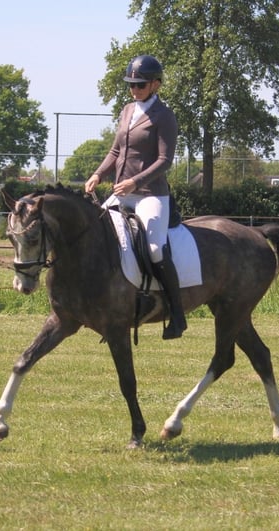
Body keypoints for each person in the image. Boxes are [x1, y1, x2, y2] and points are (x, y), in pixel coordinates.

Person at [84, 54, 187, 340]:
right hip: (122, 192)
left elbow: (165, 161)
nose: (134, 89)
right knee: (96, 233)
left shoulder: (164, 116)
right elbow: (115, 151)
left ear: (156, 84)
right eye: (131, 84)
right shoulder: (127, 110)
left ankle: (177, 313)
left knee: (154, 248)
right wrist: (98, 174)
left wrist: (134, 182)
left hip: (150, 195)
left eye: (140, 85)